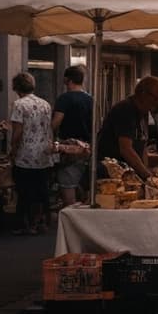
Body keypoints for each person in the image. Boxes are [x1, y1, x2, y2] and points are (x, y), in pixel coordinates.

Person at [8, 73, 54, 235]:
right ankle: (41, 221)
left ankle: (24, 224)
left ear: (16, 88)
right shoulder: (45, 104)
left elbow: (17, 132)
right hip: (43, 154)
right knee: (41, 189)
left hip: (26, 155)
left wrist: (12, 149)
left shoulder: (19, 105)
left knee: (24, 191)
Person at [97, 76, 158, 180]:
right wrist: (147, 176)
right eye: (156, 98)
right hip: (111, 174)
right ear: (143, 93)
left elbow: (142, 148)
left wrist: (146, 171)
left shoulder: (143, 113)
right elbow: (126, 149)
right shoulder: (125, 110)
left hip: (128, 174)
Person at [51, 65, 93, 208]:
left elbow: (56, 123)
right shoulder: (90, 99)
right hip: (87, 148)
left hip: (69, 148)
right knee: (83, 187)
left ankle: (71, 220)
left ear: (66, 80)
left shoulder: (64, 98)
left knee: (67, 183)